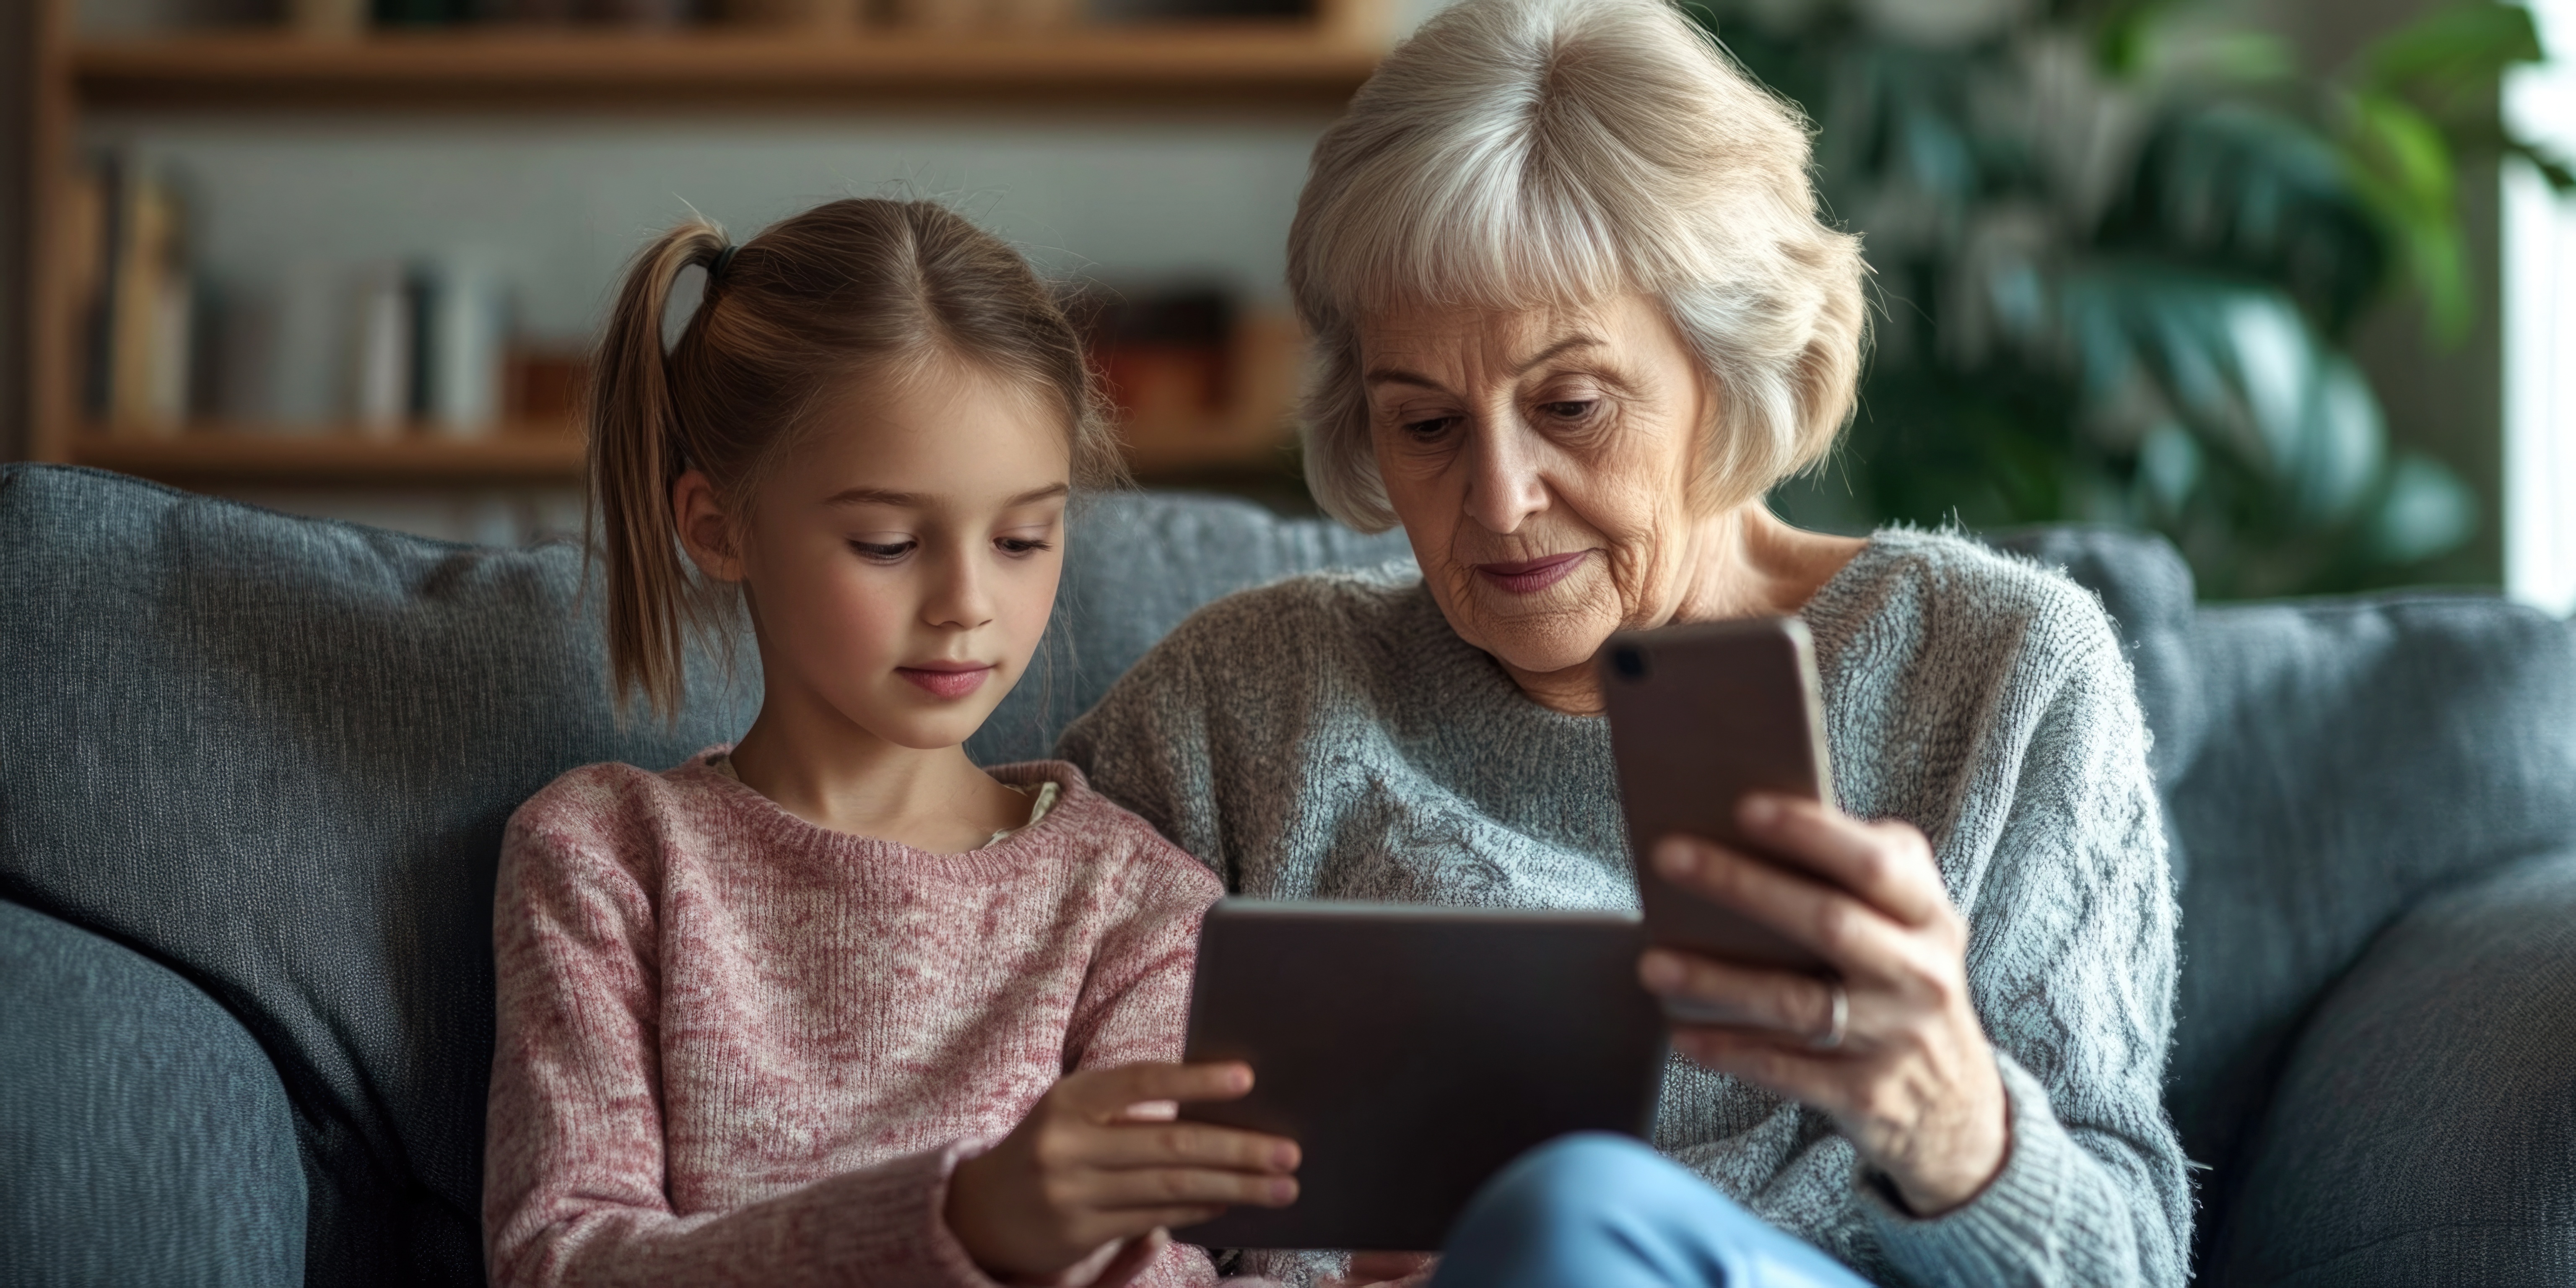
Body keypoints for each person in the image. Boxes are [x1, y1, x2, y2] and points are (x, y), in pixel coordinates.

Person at [1055, 0, 2192, 1283]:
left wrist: (1951, 1121)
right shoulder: (1243, 702)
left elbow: (2130, 1264)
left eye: (1573, 405)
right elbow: (994, 1100)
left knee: (1568, 1218)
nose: (1498, 500)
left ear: (1735, 359)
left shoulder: (1999, 673)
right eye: (1425, 426)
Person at [481, 198, 1305, 1288]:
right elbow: (562, 1259)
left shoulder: (1137, 905)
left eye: (1021, 539)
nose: (968, 601)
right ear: (717, 527)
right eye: (888, 543)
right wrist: (957, 1224)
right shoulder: (606, 856)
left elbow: (1175, 1265)